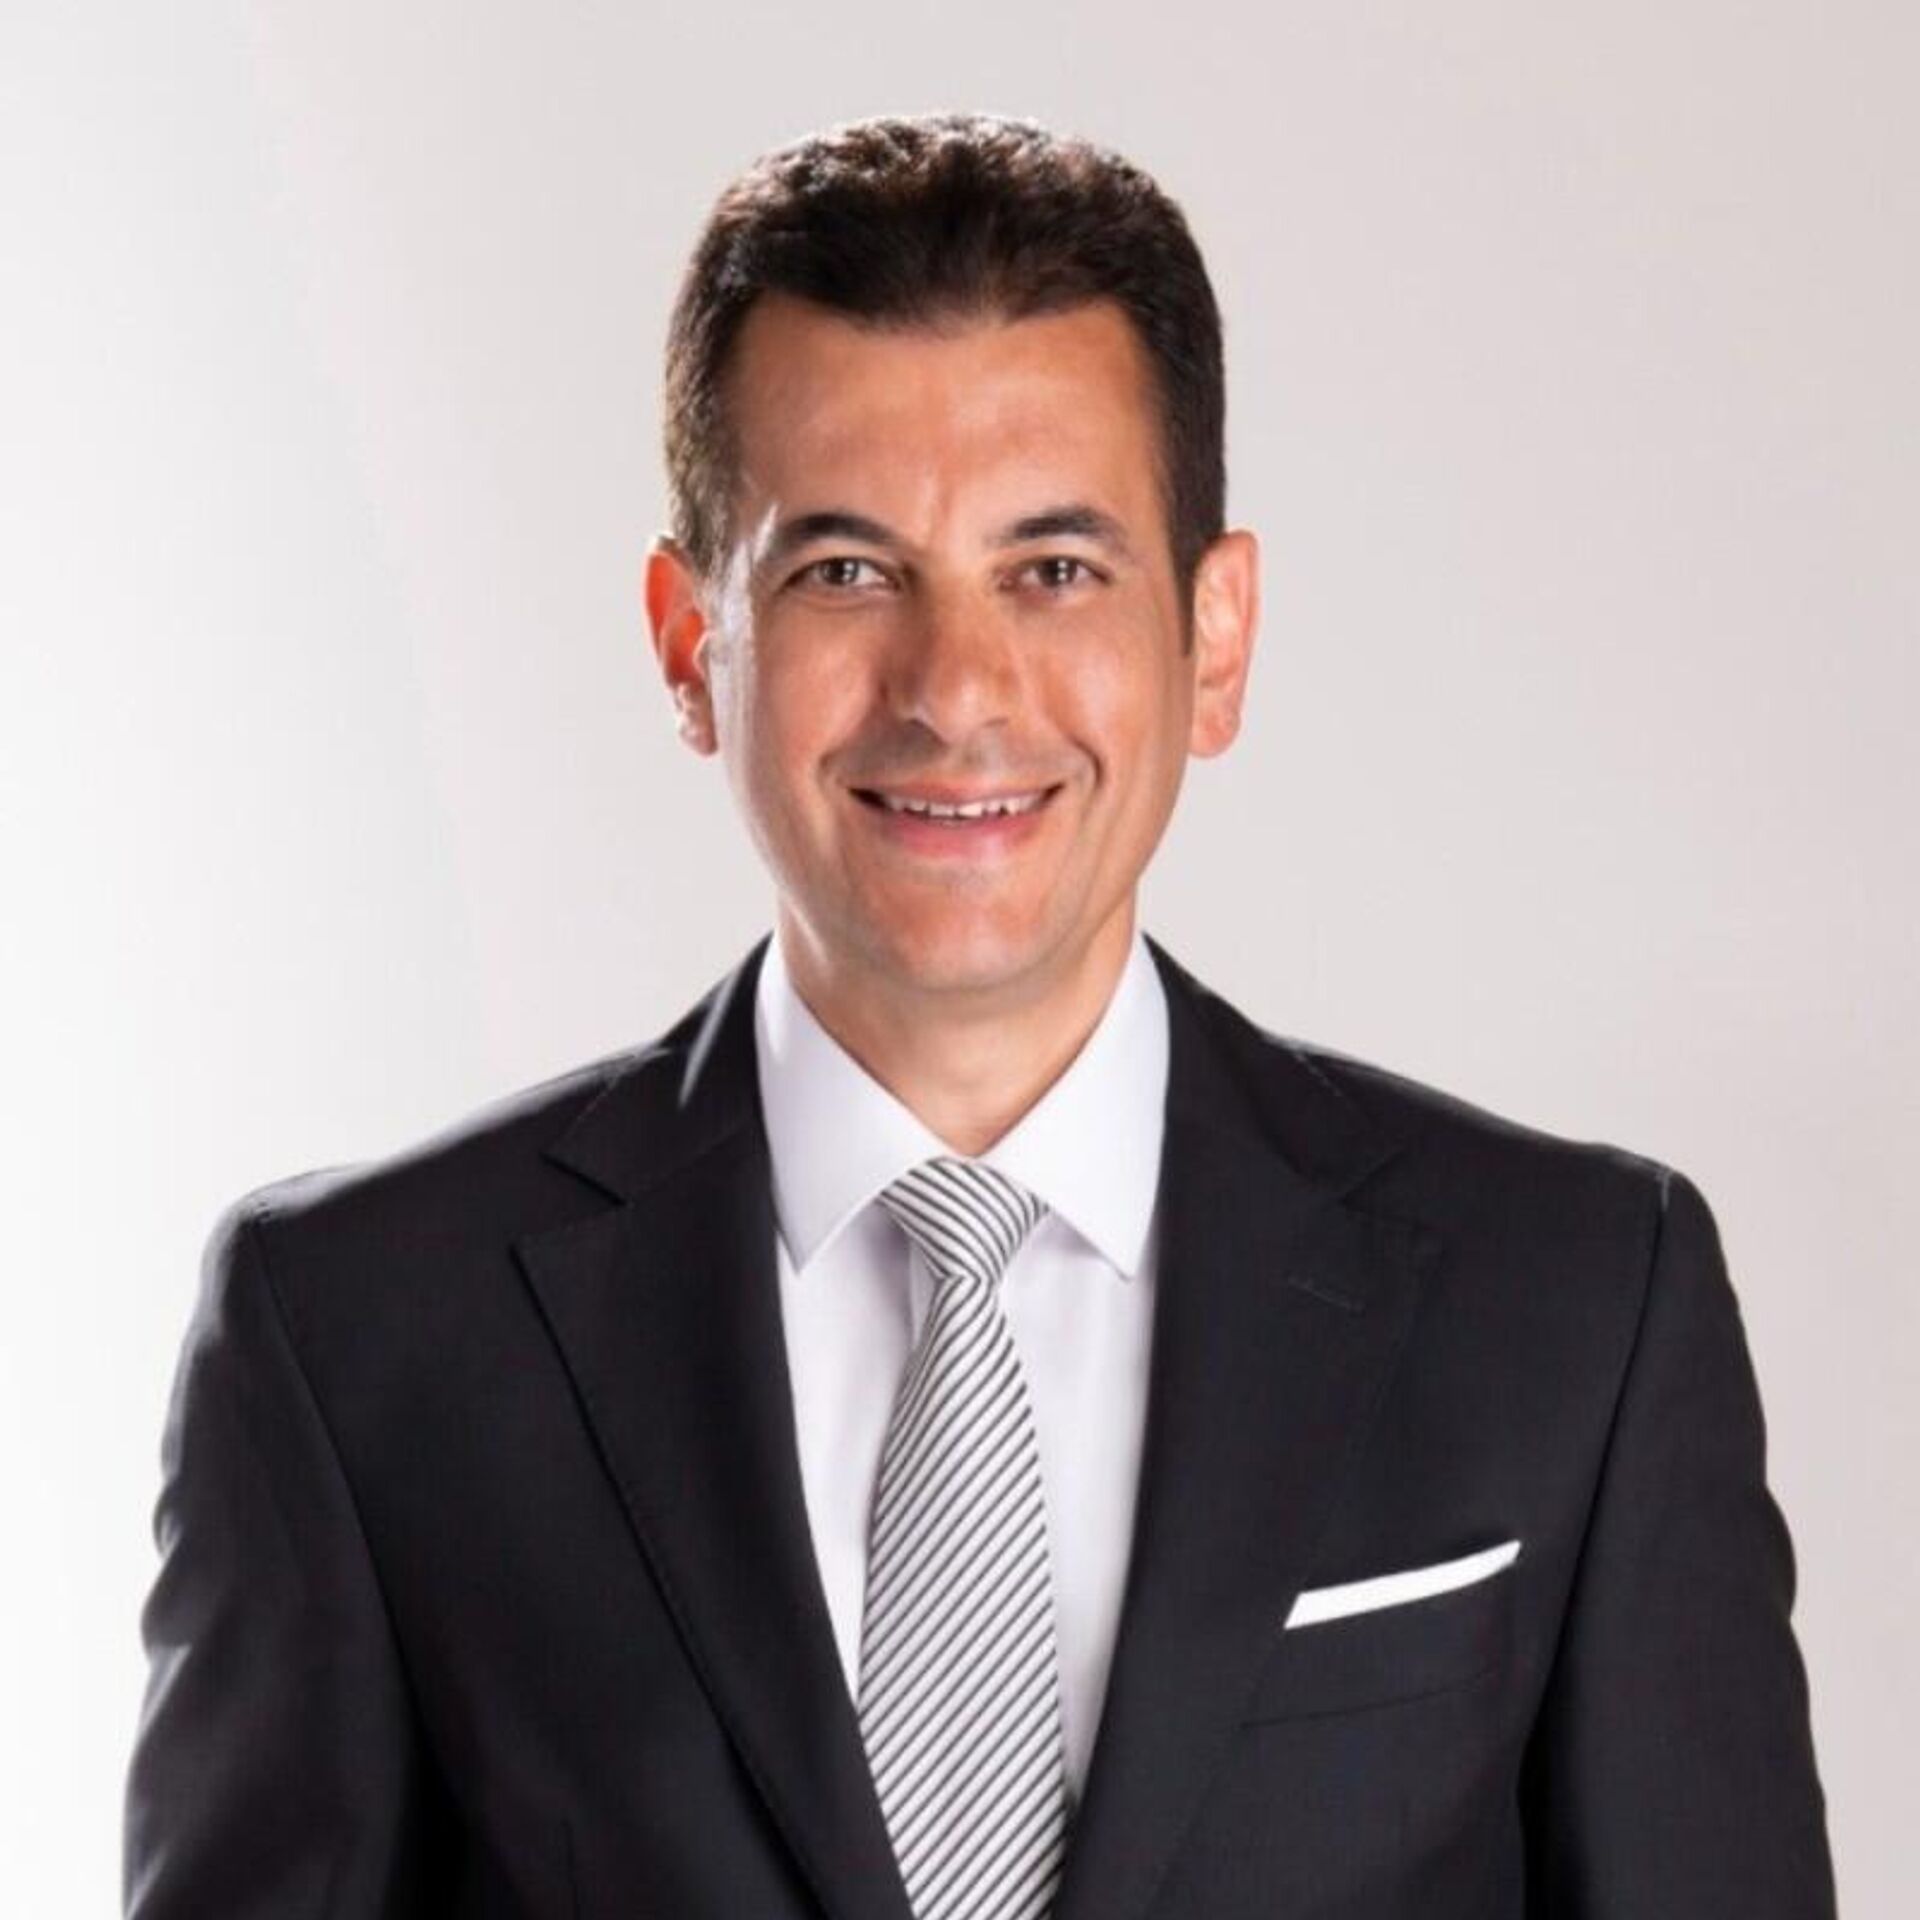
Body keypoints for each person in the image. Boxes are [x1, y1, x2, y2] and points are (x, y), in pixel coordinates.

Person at [123, 111, 1837, 1918]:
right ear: (692, 644)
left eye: (1056, 569)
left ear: (1218, 636)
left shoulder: (1577, 1310)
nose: (955, 691)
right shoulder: (359, 1344)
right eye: (846, 572)